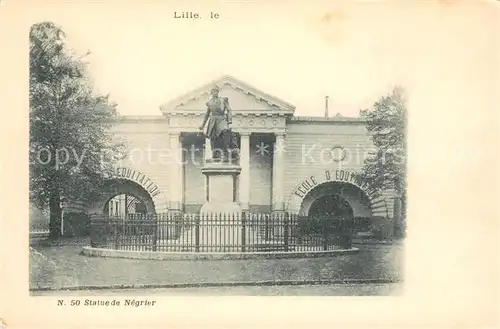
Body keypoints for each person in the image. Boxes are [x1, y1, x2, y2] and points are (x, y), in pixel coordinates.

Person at [198, 85, 238, 161]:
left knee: (225, 132)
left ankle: (226, 153)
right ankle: (215, 154)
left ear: (218, 92)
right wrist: (202, 125)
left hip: (222, 118)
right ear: (211, 92)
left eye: (216, 91)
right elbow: (207, 115)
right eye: (213, 91)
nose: (214, 92)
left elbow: (229, 110)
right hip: (213, 120)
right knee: (213, 138)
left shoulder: (223, 100)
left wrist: (229, 121)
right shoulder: (209, 103)